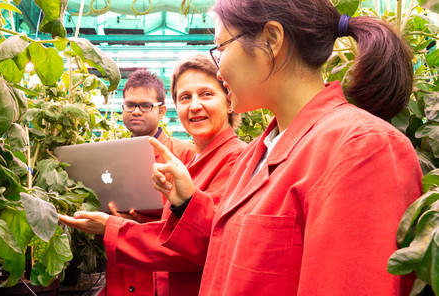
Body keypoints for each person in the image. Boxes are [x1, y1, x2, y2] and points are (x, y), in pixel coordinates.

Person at [147, 1, 423, 295]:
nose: (219, 67)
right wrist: (186, 202)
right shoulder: (256, 153)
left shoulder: (361, 148)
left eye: (222, 47)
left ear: (272, 40)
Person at [59, 54, 247, 296]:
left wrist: (112, 228)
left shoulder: (233, 160)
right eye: (185, 97)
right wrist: (134, 223)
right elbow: (183, 232)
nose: (195, 105)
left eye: (207, 94)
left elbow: (197, 245)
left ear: (229, 100)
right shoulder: (199, 161)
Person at [103, 69, 197, 295]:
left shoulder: (185, 155)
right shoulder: (108, 156)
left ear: (162, 111)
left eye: (145, 105)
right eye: (129, 105)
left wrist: (141, 221)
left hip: (160, 275)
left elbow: (193, 226)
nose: (136, 111)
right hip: (122, 270)